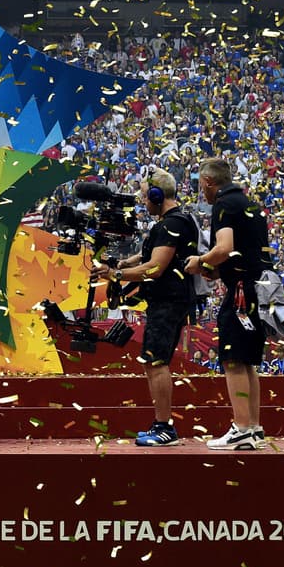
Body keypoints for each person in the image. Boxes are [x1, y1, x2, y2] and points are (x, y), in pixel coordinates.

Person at [92, 171, 197, 447]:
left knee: (157, 362)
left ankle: (164, 428)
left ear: (156, 196)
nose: (142, 200)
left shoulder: (172, 223)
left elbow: (154, 267)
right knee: (153, 362)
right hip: (167, 301)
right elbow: (148, 256)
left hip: (168, 301)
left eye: (144, 195)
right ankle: (161, 424)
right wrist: (120, 265)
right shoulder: (173, 222)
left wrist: (115, 276)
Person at [185, 157, 273, 450]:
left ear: (209, 182)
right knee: (248, 361)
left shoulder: (224, 204)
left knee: (233, 359)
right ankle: (255, 428)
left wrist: (200, 261)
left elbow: (224, 248)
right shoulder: (251, 204)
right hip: (261, 288)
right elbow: (242, 252)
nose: (202, 192)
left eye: (201, 185)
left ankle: (242, 428)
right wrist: (213, 269)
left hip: (241, 292)